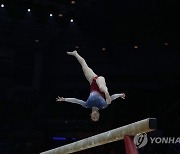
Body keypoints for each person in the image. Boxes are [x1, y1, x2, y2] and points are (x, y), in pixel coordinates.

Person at [56, 50, 125, 121]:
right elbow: (112, 97)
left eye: (93, 117)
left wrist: (64, 99)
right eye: (97, 117)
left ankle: (75, 53)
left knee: (84, 66)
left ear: (90, 115)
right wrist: (120, 95)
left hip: (92, 80)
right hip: (101, 81)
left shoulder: (87, 105)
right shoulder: (103, 106)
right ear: (99, 114)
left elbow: (76, 101)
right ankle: (106, 91)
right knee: (108, 100)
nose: (95, 116)